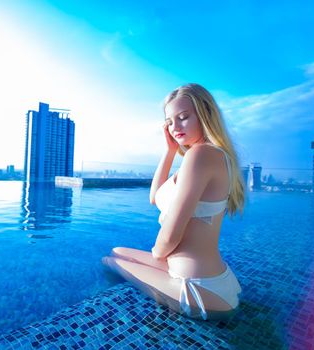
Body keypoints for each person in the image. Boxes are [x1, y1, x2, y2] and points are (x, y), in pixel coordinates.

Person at [102, 83, 245, 320]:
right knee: (118, 252)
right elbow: (154, 197)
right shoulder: (208, 155)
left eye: (183, 117)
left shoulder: (201, 155)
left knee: (108, 261)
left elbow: (170, 236)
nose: (175, 127)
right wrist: (169, 150)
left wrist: (158, 254)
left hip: (196, 288)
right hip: (210, 279)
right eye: (170, 121)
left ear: (205, 115)